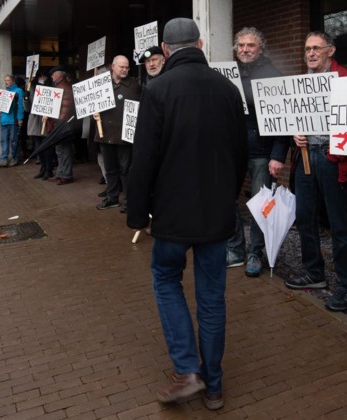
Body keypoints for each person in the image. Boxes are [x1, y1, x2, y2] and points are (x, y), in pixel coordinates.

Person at [127, 18, 248, 410]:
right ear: (199, 43)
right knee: (212, 297)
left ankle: (187, 369)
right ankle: (213, 385)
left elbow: (143, 158)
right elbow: (240, 155)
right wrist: (227, 196)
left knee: (166, 280)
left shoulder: (157, 90)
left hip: (172, 216)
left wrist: (137, 212)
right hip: (215, 216)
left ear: (165, 50)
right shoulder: (228, 91)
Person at [284, 31, 347, 312]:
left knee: (339, 225)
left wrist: (333, 149)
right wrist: (296, 135)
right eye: (307, 49)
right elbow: (293, 117)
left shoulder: (346, 79)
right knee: (305, 218)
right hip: (305, 157)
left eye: (317, 48)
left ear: (331, 50)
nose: (311, 53)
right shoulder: (302, 82)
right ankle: (314, 272)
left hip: (332, 160)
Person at [227, 27, 289, 277]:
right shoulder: (228, 74)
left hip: (262, 153)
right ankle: (235, 248)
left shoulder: (273, 75)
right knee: (226, 200)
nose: (244, 49)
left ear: (260, 48)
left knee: (260, 206)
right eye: (241, 45)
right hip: (233, 151)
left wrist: (278, 154)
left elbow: (283, 119)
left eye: (250, 45)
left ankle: (255, 252)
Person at [93, 55, 141, 211]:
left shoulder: (135, 85)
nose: (125, 69)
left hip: (125, 136)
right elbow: (89, 104)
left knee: (126, 170)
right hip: (105, 134)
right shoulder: (101, 85)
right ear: (113, 67)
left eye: (127, 67)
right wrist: (92, 113)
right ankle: (112, 198)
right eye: (122, 66)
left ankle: (129, 202)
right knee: (110, 169)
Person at [47, 68, 76, 185]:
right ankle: (61, 173)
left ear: (59, 76)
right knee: (59, 149)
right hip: (60, 123)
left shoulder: (64, 88)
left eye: (53, 75)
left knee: (64, 150)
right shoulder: (61, 88)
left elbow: (65, 108)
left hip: (63, 124)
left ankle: (67, 175)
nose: (52, 77)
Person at [0, 74, 24, 167]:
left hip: (13, 120)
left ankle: (15, 158)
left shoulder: (18, 91)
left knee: (14, 140)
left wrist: (20, 118)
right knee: (4, 140)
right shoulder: (4, 92)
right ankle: (3, 159)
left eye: (8, 80)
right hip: (4, 120)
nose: (6, 82)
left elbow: (20, 106)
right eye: (5, 80)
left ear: (13, 81)